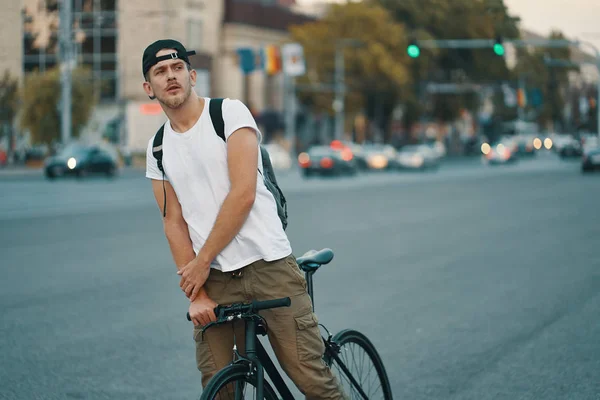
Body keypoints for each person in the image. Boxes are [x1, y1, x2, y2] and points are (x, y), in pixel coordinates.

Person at [142, 39, 345, 399]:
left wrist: (200, 262)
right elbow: (172, 221)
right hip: (216, 280)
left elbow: (243, 194)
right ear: (149, 87)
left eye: (176, 69)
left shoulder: (228, 113)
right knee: (221, 388)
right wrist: (198, 294)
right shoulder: (158, 147)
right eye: (160, 72)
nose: (170, 77)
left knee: (311, 380)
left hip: (269, 265)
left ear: (192, 76)